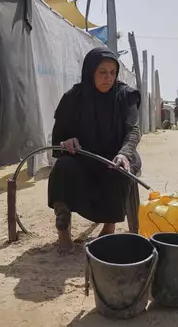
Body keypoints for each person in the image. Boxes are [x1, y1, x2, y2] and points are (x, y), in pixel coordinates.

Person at [48, 47, 142, 254]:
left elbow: (133, 131)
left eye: (113, 73)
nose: (108, 78)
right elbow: (59, 136)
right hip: (85, 157)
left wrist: (124, 153)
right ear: (90, 72)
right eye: (102, 72)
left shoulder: (125, 96)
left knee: (120, 169)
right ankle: (63, 230)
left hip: (117, 155)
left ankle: (109, 226)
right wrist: (66, 141)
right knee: (63, 167)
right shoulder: (72, 98)